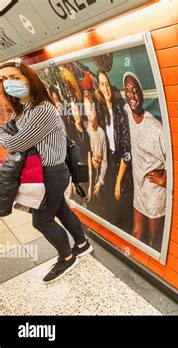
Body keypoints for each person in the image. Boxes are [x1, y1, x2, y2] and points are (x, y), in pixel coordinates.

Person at [0, 61, 93, 283]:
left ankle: (67, 258)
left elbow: (17, 143)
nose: (8, 83)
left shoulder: (41, 109)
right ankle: (83, 244)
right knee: (60, 209)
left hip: (49, 174)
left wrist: (4, 137)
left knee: (41, 221)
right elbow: (8, 132)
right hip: (43, 173)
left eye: (14, 77)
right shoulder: (25, 109)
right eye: (4, 79)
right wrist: (6, 135)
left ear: (29, 79)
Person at [123, 72, 166, 251]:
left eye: (136, 90)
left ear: (141, 93)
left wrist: (166, 178)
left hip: (154, 190)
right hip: (139, 189)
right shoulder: (126, 114)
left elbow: (174, 157)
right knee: (137, 234)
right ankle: (135, 271)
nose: (132, 95)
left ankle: (151, 275)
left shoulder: (155, 128)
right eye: (128, 91)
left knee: (153, 240)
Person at [96, 69, 133, 232]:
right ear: (99, 88)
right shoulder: (100, 112)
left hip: (121, 166)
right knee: (110, 209)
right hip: (108, 164)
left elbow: (126, 151)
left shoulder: (121, 112)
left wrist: (118, 182)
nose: (106, 88)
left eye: (107, 83)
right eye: (102, 84)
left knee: (121, 206)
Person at [83, 91, 107, 215]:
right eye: (86, 109)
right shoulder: (85, 132)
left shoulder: (102, 133)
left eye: (90, 108)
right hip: (88, 180)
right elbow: (85, 160)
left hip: (98, 179)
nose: (89, 112)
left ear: (96, 110)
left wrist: (100, 181)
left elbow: (105, 161)